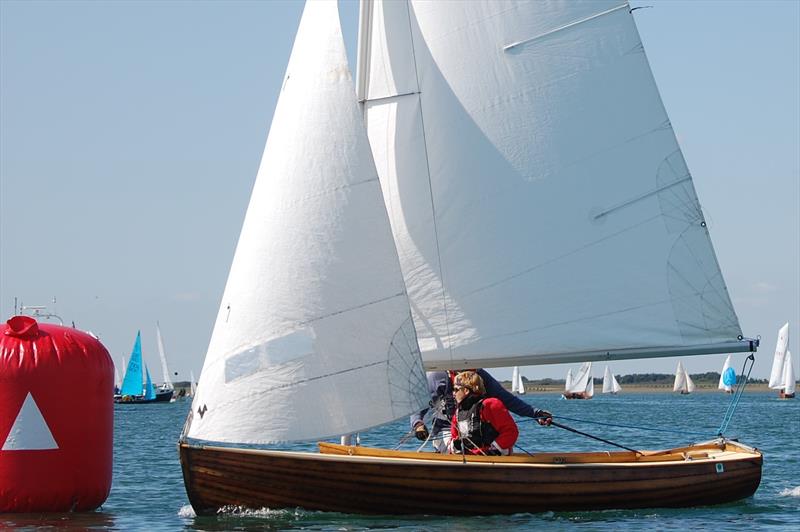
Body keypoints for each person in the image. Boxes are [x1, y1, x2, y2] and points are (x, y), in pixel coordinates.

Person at [410, 369, 552, 452]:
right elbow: (418, 405)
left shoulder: (478, 377)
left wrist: (535, 413)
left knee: (495, 445)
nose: (454, 393)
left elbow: (507, 400)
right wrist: (418, 424)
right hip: (446, 430)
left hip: (478, 431)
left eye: (456, 390)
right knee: (458, 450)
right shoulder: (437, 377)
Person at [448, 371, 518, 455]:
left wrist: (494, 449)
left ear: (466, 390)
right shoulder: (458, 412)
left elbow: (511, 431)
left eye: (456, 390)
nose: (453, 393)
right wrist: (456, 446)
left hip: (496, 458)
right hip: (470, 458)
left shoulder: (490, 405)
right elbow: (453, 437)